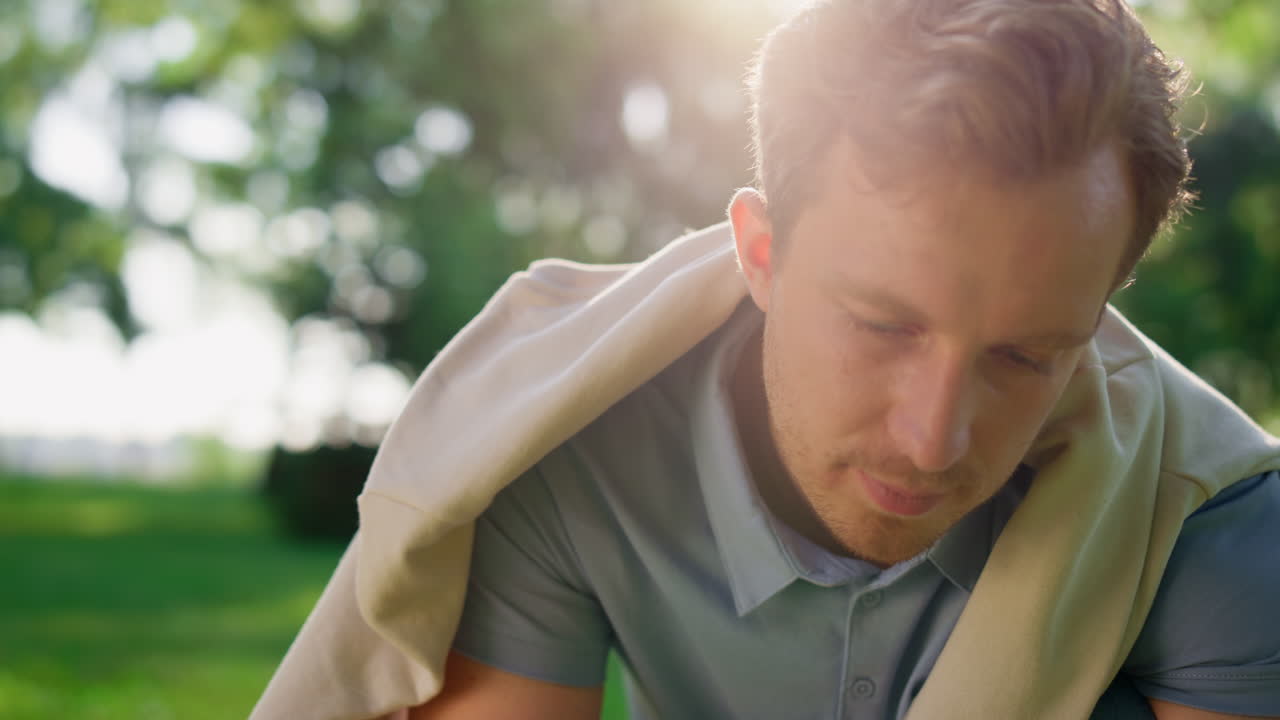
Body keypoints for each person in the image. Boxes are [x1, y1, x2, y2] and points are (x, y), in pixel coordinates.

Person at [253, 1, 1280, 719]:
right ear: (760, 252)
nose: (933, 438)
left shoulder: (1214, 522)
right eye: (880, 326)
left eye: (1025, 354)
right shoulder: (556, 439)